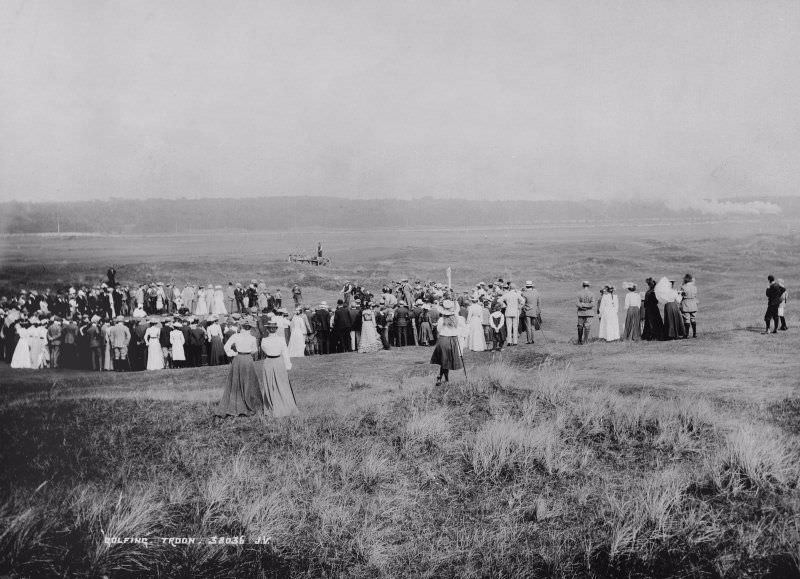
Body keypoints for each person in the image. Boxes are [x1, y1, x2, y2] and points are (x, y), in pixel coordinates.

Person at [216, 319, 263, 417]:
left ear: (241, 327)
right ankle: (247, 403)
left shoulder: (236, 336)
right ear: (249, 328)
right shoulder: (252, 338)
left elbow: (226, 347)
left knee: (236, 381)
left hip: (238, 358)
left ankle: (238, 403)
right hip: (247, 359)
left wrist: (233, 353)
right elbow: (254, 350)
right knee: (248, 381)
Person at [259, 319, 299, 417]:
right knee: (281, 383)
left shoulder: (264, 340)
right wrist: (288, 365)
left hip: (269, 361)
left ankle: (273, 405)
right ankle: (283, 405)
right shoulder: (280, 339)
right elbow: (285, 353)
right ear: (275, 329)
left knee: (270, 384)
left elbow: (265, 350)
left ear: (268, 329)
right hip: (278, 361)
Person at [430, 300, 465, 385]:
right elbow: (459, 330)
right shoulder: (456, 319)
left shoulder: (441, 319)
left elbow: (438, 329)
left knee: (444, 360)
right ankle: (444, 378)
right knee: (447, 360)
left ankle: (442, 377)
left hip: (443, 340)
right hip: (452, 340)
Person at [680, 274, 698, 338]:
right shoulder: (694, 287)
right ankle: (694, 333)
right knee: (693, 318)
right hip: (693, 303)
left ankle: (686, 334)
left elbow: (681, 295)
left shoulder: (683, 287)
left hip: (686, 303)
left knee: (686, 319)